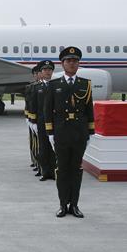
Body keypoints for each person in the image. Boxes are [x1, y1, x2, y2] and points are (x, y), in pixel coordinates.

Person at [44, 46, 93, 219]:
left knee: (76, 170)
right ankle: (63, 204)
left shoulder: (85, 84)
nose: (72, 64)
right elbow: (47, 110)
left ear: (79, 64)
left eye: (75, 61)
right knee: (62, 170)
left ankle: (75, 205)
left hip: (79, 133)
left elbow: (89, 110)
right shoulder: (53, 85)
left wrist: (91, 132)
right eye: (68, 61)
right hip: (61, 133)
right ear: (62, 64)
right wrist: (50, 133)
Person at [30, 59, 56, 181]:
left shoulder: (57, 86)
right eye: (45, 70)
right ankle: (45, 172)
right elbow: (33, 106)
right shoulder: (37, 88)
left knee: (54, 148)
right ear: (41, 72)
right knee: (43, 148)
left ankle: (54, 171)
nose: (47, 72)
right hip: (41, 122)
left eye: (49, 69)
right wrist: (33, 121)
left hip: (55, 122)